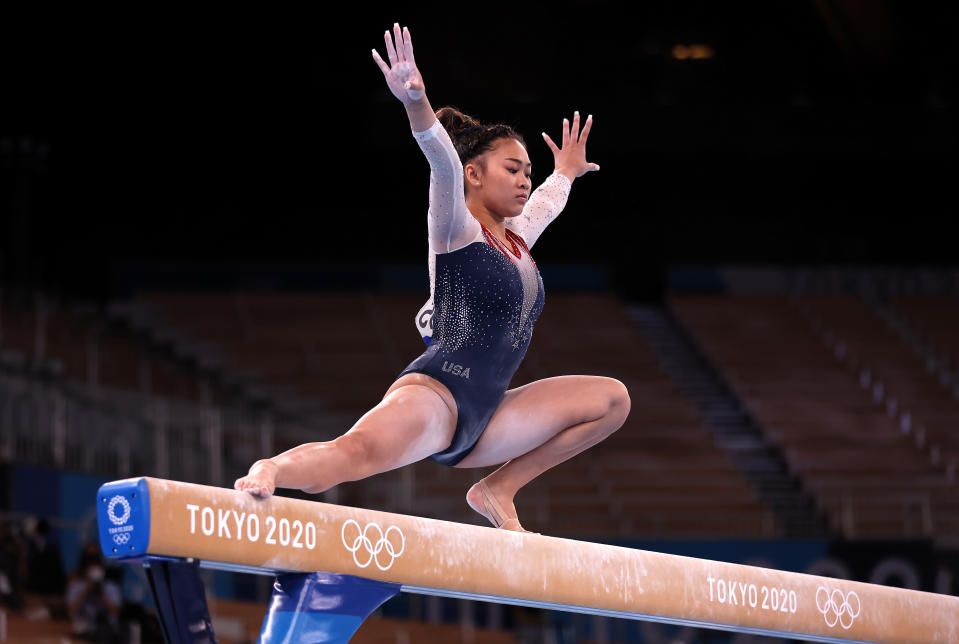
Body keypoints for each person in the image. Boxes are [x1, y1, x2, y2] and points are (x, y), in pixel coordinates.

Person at [235, 23, 630, 532]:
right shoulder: (454, 229)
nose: (525, 180)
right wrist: (415, 103)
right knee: (354, 453)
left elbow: (546, 207)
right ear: (474, 173)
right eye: (513, 168)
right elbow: (441, 164)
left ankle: (498, 488)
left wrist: (564, 174)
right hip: (440, 396)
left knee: (611, 400)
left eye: (528, 172)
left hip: (490, 414)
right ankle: (271, 470)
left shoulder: (513, 241)